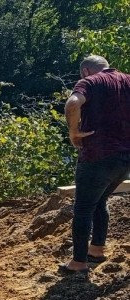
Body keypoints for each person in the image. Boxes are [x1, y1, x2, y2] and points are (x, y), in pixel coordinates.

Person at [60, 55, 130, 275]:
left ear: (85, 71)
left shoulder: (90, 82)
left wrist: (74, 132)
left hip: (97, 155)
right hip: (125, 156)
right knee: (100, 200)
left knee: (83, 207)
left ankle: (79, 262)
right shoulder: (127, 80)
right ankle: (97, 250)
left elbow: (72, 104)